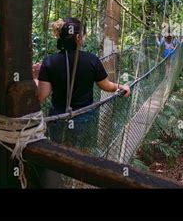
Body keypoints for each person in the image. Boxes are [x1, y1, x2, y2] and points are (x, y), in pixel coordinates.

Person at [32, 17, 131, 149]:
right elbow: (106, 86)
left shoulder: (49, 61)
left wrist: (35, 77)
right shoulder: (91, 60)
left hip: (58, 118)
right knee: (83, 157)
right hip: (85, 119)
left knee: (59, 154)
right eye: (83, 35)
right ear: (78, 37)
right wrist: (121, 86)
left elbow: (41, 96)